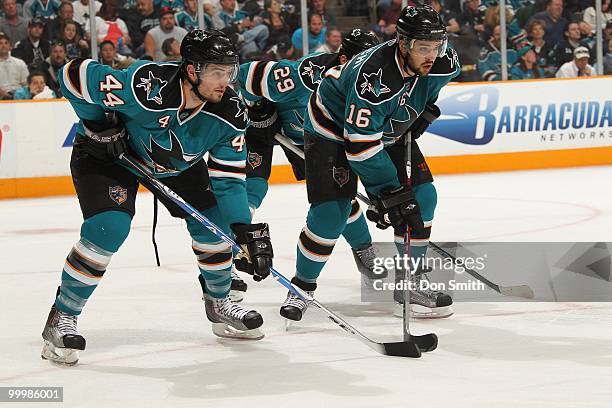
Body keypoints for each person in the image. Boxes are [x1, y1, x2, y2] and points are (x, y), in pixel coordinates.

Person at [40, 29, 275, 366]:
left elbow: (228, 180)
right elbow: (73, 75)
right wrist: (97, 125)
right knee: (109, 228)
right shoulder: (146, 86)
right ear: (192, 71)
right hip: (109, 157)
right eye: (217, 72)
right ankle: (62, 318)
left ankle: (220, 302)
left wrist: (244, 231)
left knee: (216, 226)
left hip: (177, 166)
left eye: (230, 72)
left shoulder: (231, 114)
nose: (226, 81)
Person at [280, 5, 459, 322]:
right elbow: (360, 145)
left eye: (436, 46)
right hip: (332, 130)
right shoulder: (373, 77)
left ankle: (410, 282)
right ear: (403, 43)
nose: (432, 55)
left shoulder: (444, 61)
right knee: (331, 213)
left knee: (424, 197)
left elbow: (429, 88)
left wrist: (424, 113)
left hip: (387, 128)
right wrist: (389, 193)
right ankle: (301, 287)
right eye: (423, 48)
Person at [235, 29, 386, 301]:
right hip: (263, 128)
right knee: (251, 188)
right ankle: (229, 252)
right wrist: (258, 109)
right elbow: (244, 74)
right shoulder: (307, 75)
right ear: (342, 59)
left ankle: (364, 251)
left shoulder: (373, 84)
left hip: (314, 141)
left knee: (339, 195)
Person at [0, 32, 29, 100]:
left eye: (6, 43)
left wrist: (19, 94)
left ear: (10, 46)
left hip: (19, 97)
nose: (3, 45)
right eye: (0, 43)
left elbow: (26, 84)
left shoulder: (20, 63)